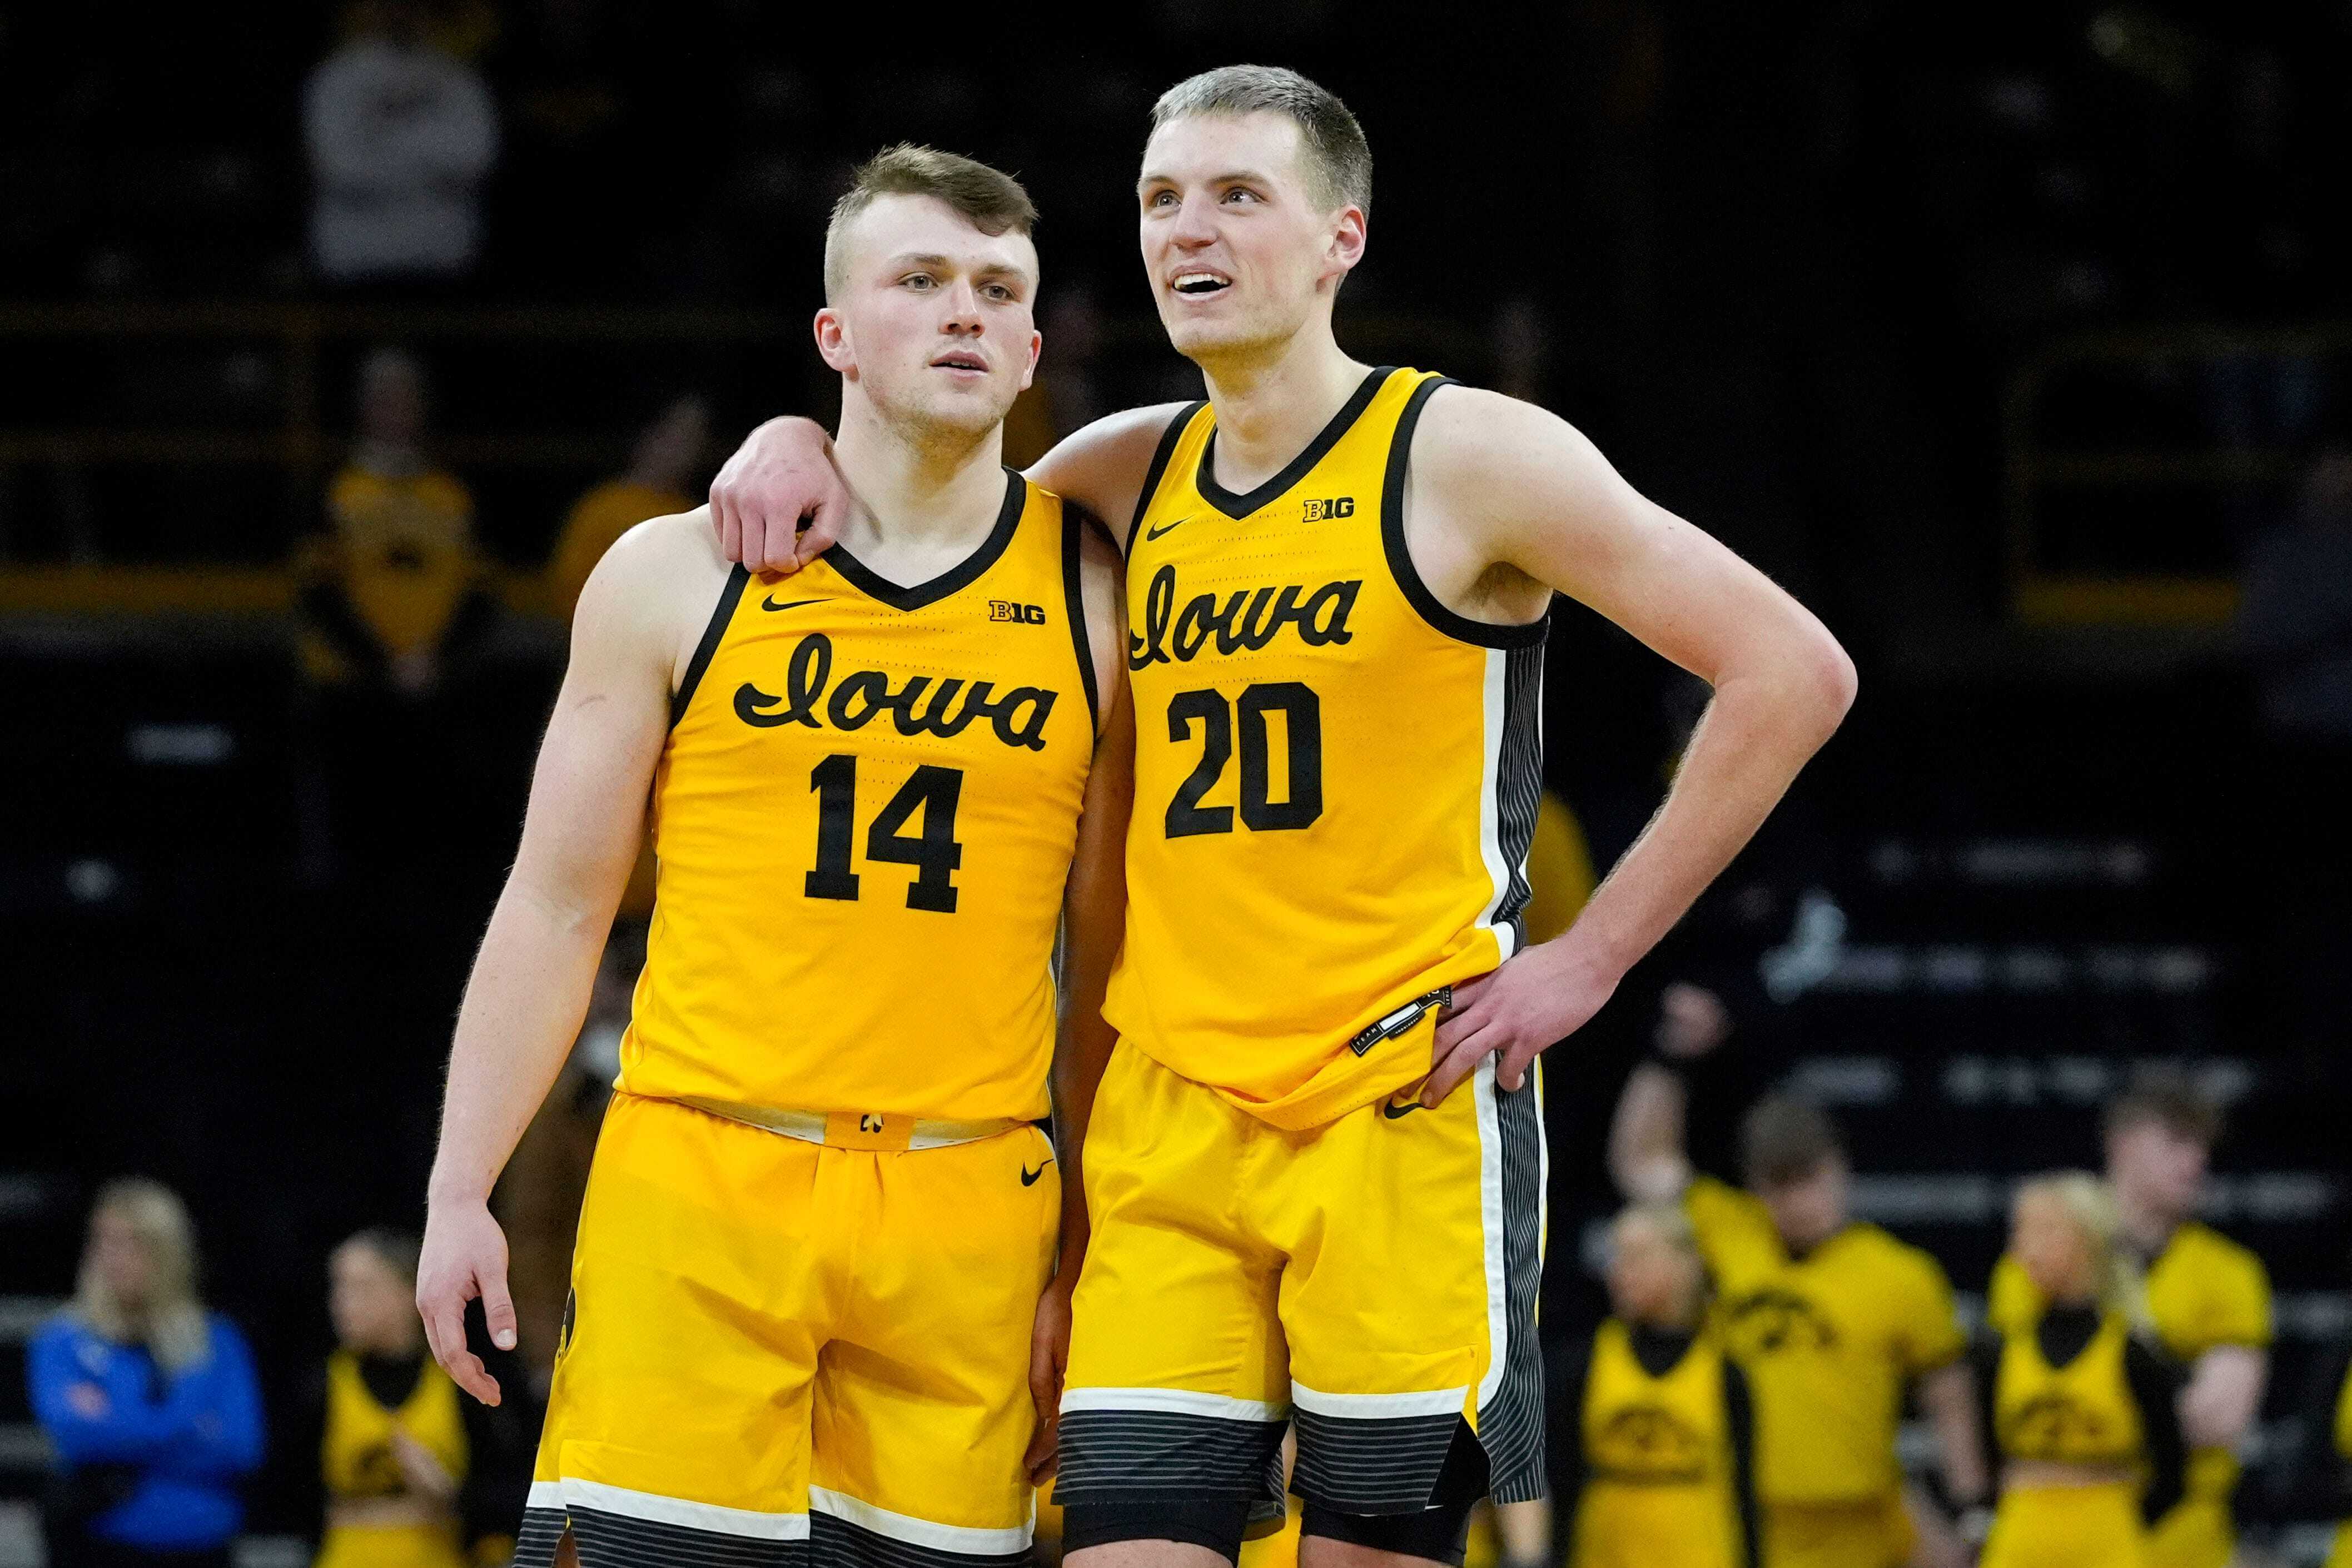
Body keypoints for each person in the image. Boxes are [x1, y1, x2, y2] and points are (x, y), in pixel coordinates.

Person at [710, 64, 1856, 1568]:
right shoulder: (1119, 473)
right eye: (1159, 200)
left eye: (1237, 194)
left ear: (1340, 237)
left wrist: (1591, 958)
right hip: (1168, 1123)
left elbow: (1789, 669)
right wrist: (787, 443)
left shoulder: (1466, 457)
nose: (1189, 227)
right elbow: (906, 508)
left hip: (1395, 1113)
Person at [412, 145, 1131, 1568]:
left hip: (967, 1214)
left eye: (997, 290)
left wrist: (1085, 1251)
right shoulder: (670, 572)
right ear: (833, 336)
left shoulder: (1098, 594)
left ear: (1037, 345)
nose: (963, 313)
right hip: (698, 1185)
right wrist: (458, 1186)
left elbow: (1109, 965)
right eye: (919, 281)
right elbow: (557, 908)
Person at [1611, 1069, 1989, 1568]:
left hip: (1861, 1515)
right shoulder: (1731, 1233)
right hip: (1745, 1513)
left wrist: (1969, 1505)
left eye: (1811, 1179)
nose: (1799, 1203)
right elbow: (1639, 1161)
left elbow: (1948, 1394)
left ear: (1841, 1168)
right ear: (1754, 1187)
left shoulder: (1900, 1274)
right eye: (1779, 1185)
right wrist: (1673, 1060)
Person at [1986, 1070, 2271, 1568]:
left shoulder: (2227, 1272)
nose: (2196, 1161)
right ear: (2121, 1143)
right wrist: (2149, 1396)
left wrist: (2090, 1416)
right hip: (2053, 1533)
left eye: (2202, 1145)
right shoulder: (2033, 1263)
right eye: (2177, 1141)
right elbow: (2011, 1401)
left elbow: (2219, 1418)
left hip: (2181, 1535)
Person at [26, 1180, 264, 1568]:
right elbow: (76, 1438)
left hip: (200, 1545)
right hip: (98, 1542)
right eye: (105, 1241)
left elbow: (242, 1448)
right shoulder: (61, 1340)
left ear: (167, 1252)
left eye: (132, 1243)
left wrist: (117, 1425)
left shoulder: (218, 1341)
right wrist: (190, 1427)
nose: (114, 1258)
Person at [1974, 1175, 2186, 1568]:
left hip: (2107, 1536)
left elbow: (2173, 1472)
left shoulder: (2132, 1353)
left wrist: (2117, 1521)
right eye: (2020, 1230)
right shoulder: (1999, 1348)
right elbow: (1986, 1457)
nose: (2024, 1246)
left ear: (2088, 1240)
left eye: (2043, 1230)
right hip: (2020, 1533)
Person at [298, 1230, 530, 1568]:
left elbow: (513, 1493)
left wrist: (452, 1495)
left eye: (363, 1288)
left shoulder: (465, 1384)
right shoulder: (320, 1387)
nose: (341, 1303)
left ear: (411, 1292)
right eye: (339, 1287)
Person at [1555, 1202, 1758, 1568]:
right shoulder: (1584, 1362)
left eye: (1637, 1257)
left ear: (1684, 1265)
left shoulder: (1725, 1372)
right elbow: (1561, 1480)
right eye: (1616, 1257)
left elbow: (1746, 1495)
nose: (1619, 1272)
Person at [299, 347, 496, 700]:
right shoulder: (334, 491)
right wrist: (383, 664)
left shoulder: (452, 496)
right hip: (349, 688)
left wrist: (436, 662)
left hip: (440, 686)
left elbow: (480, 594)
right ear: (363, 407)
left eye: (406, 398)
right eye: (384, 399)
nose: (396, 411)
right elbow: (317, 594)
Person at [303, 0, 499, 290]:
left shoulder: (461, 80)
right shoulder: (334, 79)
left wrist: (384, 142)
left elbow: (475, 160)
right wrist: (432, 164)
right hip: (357, 260)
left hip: (442, 259)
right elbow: (339, 169)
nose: (402, 12)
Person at [545, 395, 715, 621]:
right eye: (678, 434)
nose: (688, 448)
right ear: (649, 435)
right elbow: (568, 592)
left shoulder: (693, 512)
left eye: (696, 437)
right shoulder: (603, 507)